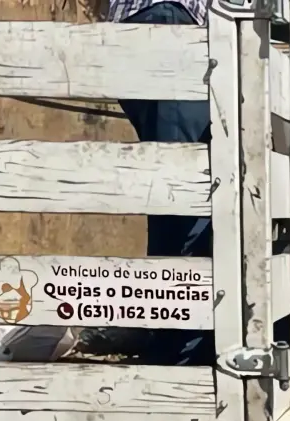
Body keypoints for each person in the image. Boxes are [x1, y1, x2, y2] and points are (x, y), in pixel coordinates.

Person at [107, 0, 212, 364]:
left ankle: (172, 341)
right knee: (186, 196)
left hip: (154, 28)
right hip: (170, 24)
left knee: (178, 195)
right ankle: (177, 354)